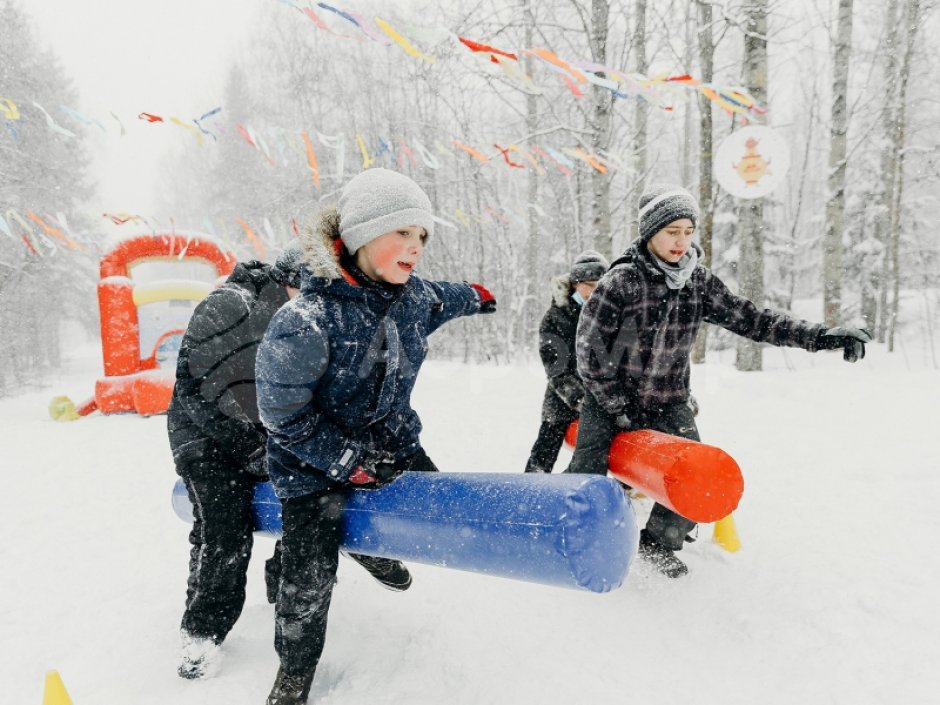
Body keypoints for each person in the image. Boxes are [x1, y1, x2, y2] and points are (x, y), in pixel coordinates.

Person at [255, 167, 497, 705]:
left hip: (391, 440)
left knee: (444, 509)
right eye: (402, 232)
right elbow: (283, 417)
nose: (416, 247)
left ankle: (368, 543)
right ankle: (293, 673)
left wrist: (477, 296)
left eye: (422, 236)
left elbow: (446, 297)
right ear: (363, 235)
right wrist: (347, 463)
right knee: (310, 573)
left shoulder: (414, 297)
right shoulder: (306, 319)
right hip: (309, 461)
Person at [570, 184, 871, 578]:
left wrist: (821, 336)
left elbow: (753, 320)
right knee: (588, 471)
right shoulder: (622, 281)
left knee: (696, 474)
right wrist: (615, 404)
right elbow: (589, 349)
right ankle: (578, 541)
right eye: (671, 232)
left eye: (688, 231)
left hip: (668, 399)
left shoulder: (698, 282)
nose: (681, 242)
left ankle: (658, 545)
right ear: (650, 233)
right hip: (611, 398)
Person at [168, 245, 305, 679]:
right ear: (288, 281)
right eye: (308, 291)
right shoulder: (228, 305)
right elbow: (197, 390)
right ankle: (202, 634)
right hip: (202, 437)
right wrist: (251, 449)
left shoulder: (293, 319)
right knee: (226, 527)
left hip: (254, 434)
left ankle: (281, 582)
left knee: (305, 494)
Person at [524, 250, 609, 473]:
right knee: (544, 452)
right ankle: (531, 487)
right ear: (575, 284)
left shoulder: (610, 314)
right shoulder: (555, 318)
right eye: (588, 285)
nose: (594, 291)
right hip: (562, 399)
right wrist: (580, 399)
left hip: (603, 397)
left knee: (595, 454)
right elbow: (556, 370)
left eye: (600, 286)